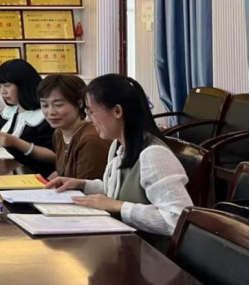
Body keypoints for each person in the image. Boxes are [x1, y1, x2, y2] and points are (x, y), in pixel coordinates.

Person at [48, 74, 193, 239]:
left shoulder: (153, 155)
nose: (89, 119)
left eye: (92, 112)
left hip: (146, 250)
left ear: (117, 111)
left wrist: (119, 206)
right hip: (121, 241)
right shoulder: (118, 145)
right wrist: (82, 185)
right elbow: (118, 190)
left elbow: (177, 219)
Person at [0, 59, 56, 176]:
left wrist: (15, 143)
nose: (3, 91)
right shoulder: (10, 112)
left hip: (39, 178)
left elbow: (54, 156)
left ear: (24, 85)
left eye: (7, 85)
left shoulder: (45, 116)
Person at [39, 74, 111, 180]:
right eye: (45, 105)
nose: (50, 112)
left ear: (79, 103)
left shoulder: (90, 139)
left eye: (59, 105)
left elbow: (85, 186)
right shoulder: (58, 133)